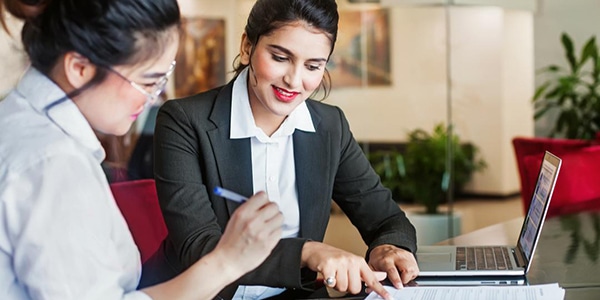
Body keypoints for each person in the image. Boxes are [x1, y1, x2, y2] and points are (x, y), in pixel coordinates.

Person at [0, 0, 283, 299]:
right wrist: (227, 262)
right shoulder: (53, 166)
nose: (152, 98)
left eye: (162, 79)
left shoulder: (18, 119)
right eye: (148, 81)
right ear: (80, 68)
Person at [153, 0, 419, 299]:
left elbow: (386, 219)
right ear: (247, 47)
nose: (294, 80)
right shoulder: (184, 121)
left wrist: (389, 248)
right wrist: (307, 252)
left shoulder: (329, 126)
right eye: (280, 57)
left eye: (313, 66)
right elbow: (199, 246)